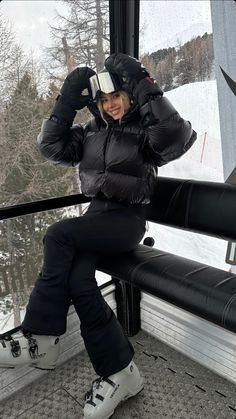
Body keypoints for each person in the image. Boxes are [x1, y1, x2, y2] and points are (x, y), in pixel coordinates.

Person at [0, 53, 196, 418]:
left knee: (57, 234)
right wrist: (68, 99)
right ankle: (122, 374)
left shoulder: (146, 131)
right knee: (78, 279)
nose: (110, 105)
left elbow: (175, 135)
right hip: (95, 220)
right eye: (103, 100)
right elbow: (51, 146)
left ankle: (42, 337)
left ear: (129, 96)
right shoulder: (91, 131)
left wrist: (141, 78)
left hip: (126, 220)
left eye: (116, 96)